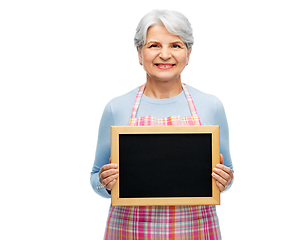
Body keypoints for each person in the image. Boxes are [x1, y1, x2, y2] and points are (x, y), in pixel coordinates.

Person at [90, 9, 234, 239]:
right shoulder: (116, 108)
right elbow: (96, 177)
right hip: (129, 232)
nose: (165, 55)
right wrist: (104, 183)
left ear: (188, 54)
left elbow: (228, 175)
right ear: (139, 53)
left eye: (175, 46)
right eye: (154, 45)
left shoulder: (211, 106)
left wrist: (225, 180)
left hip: (195, 231)